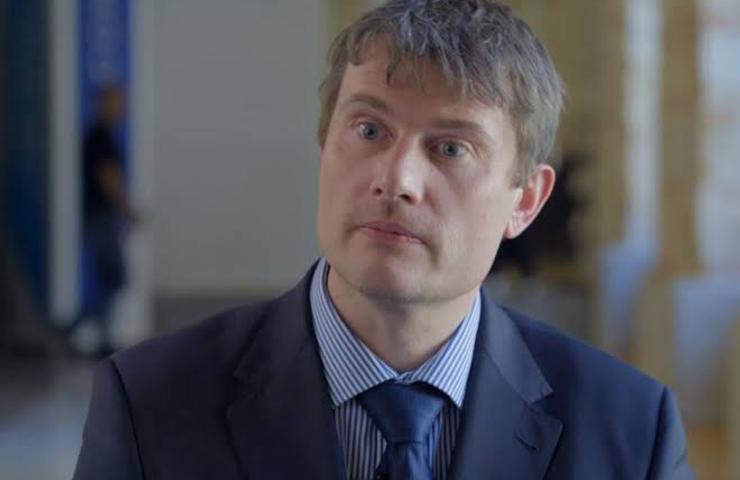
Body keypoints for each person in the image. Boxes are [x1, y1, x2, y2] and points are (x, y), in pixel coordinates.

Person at [73, 1, 693, 478]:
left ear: (525, 200)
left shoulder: (632, 432)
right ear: (325, 146)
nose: (397, 180)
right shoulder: (150, 405)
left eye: (451, 148)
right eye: (369, 129)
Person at [66, 85, 135, 357]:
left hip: (99, 215)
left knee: (110, 279)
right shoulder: (100, 137)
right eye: (117, 101)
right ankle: (79, 328)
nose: (121, 108)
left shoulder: (100, 136)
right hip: (101, 216)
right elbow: (108, 178)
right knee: (115, 277)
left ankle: (91, 331)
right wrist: (126, 210)